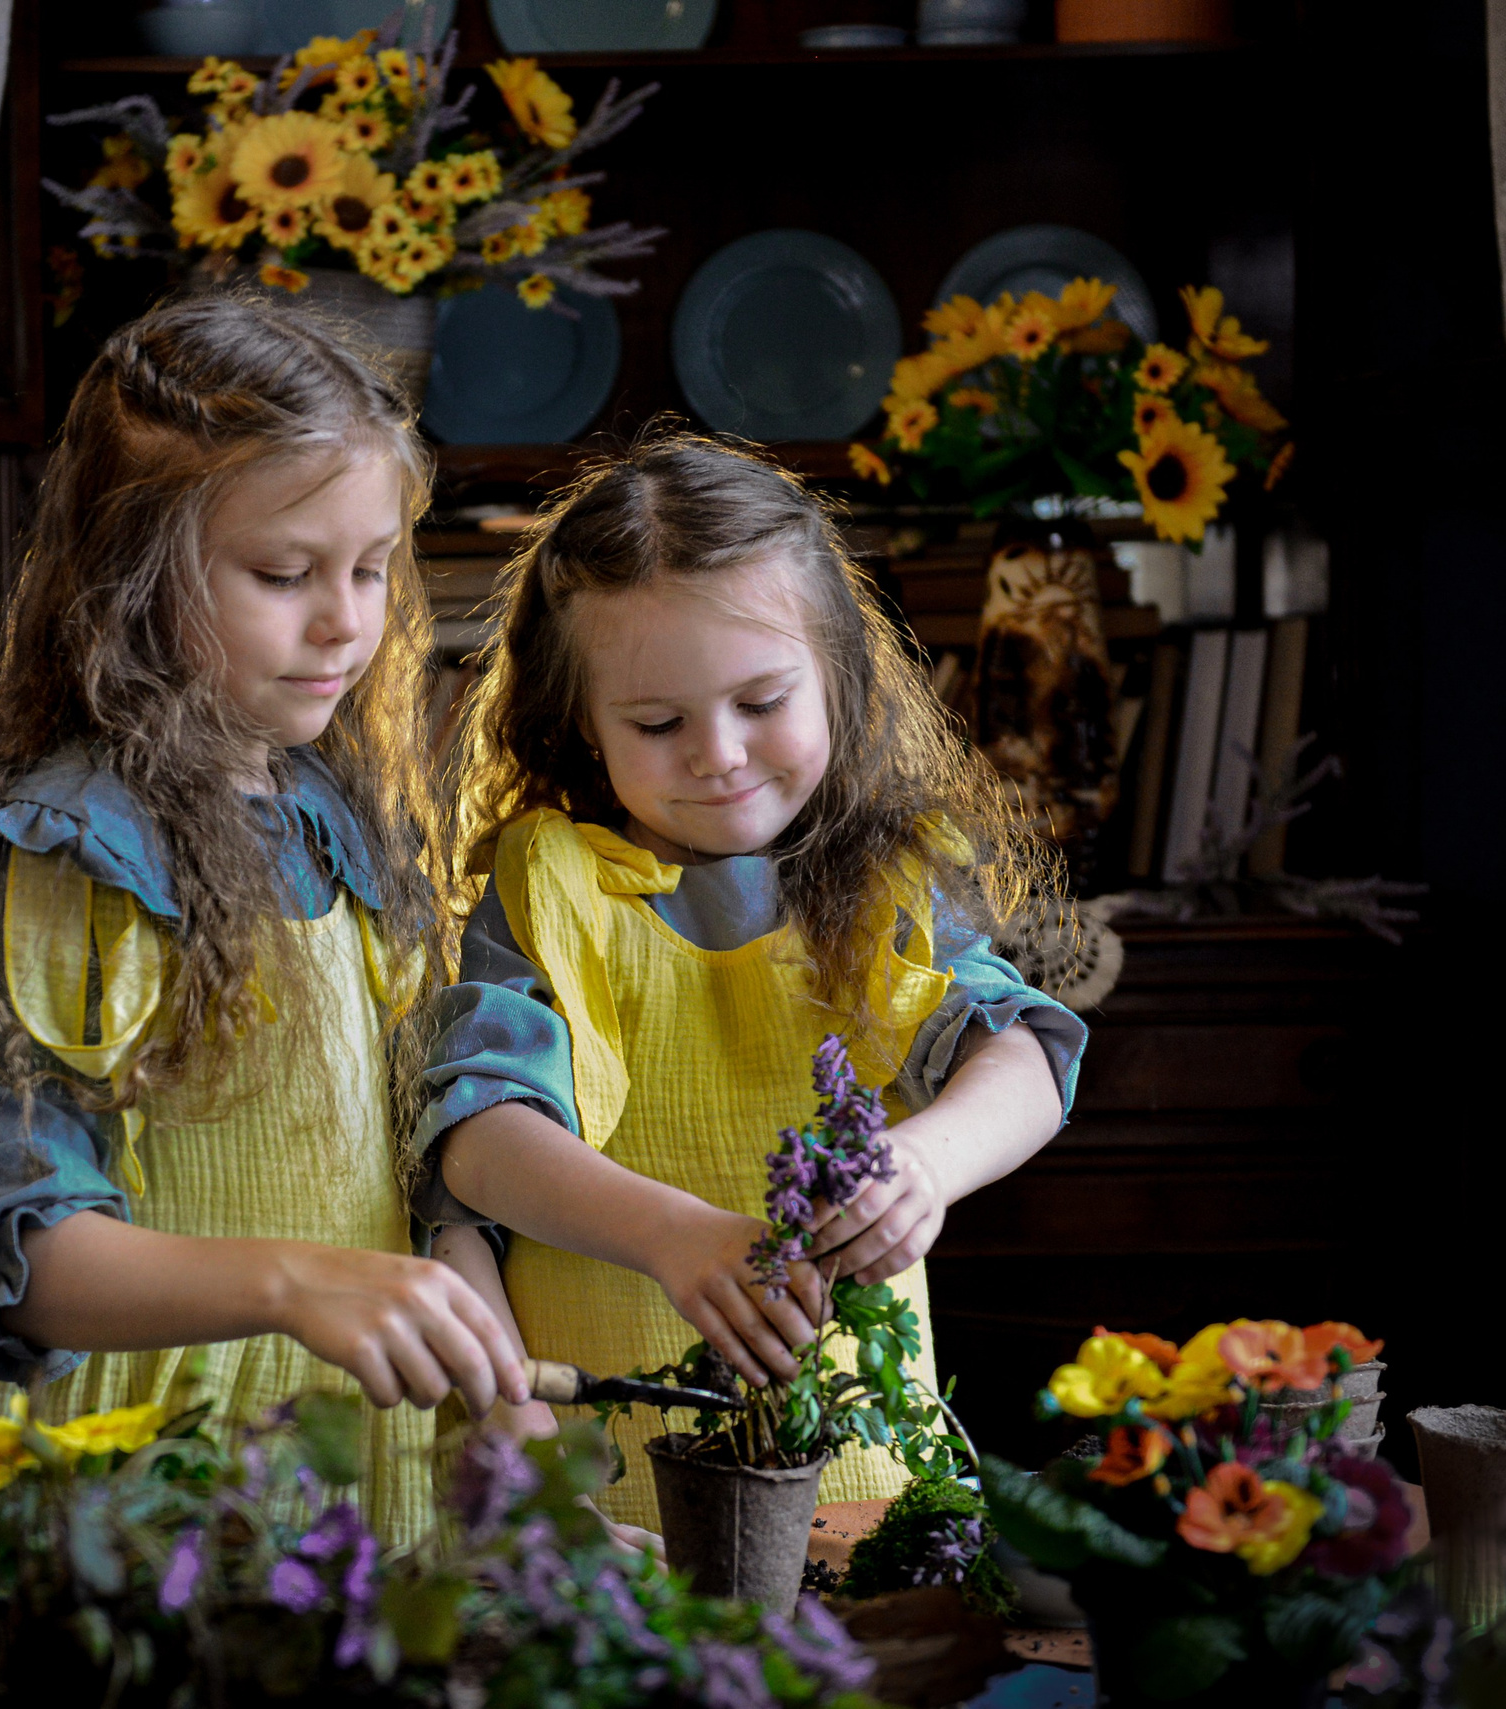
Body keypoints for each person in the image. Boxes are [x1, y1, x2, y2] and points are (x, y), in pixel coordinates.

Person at [0, 291, 527, 1641]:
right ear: (131, 574)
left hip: (334, 1462)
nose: (348, 623)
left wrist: (473, 1336)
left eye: (374, 567)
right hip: (125, 1485)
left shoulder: (349, 824)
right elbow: (18, 1260)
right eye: (285, 574)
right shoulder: (66, 851)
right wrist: (295, 1281)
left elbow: (410, 1157)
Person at [413, 433, 1088, 1528]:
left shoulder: (883, 881)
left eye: (761, 700)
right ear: (578, 724)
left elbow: (1023, 1058)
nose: (718, 753)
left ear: (839, 677)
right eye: (657, 722)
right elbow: (478, 1144)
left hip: (864, 1501)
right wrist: (669, 1233)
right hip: (609, 1500)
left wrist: (923, 1161)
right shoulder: (550, 887)